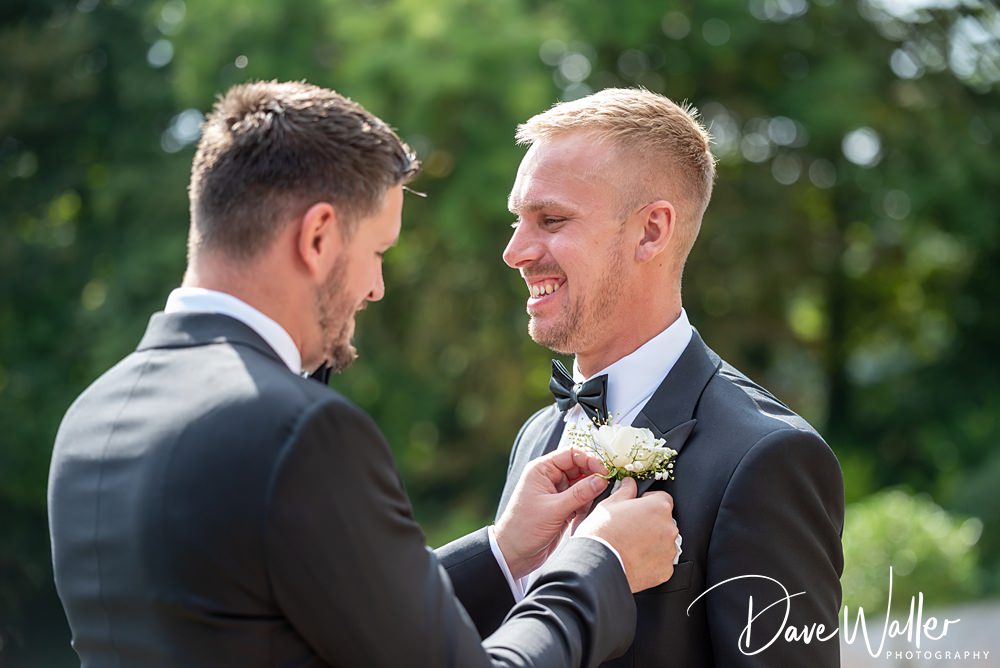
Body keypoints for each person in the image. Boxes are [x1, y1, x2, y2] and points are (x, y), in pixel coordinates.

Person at [47, 81, 682, 668]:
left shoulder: (93, 418)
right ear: (319, 236)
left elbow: (289, 621)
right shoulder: (298, 431)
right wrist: (598, 567)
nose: (376, 288)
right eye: (376, 252)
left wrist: (501, 552)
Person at [488, 88, 845, 666]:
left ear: (651, 231)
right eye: (517, 220)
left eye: (551, 219)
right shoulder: (538, 437)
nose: (515, 251)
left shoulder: (766, 458)